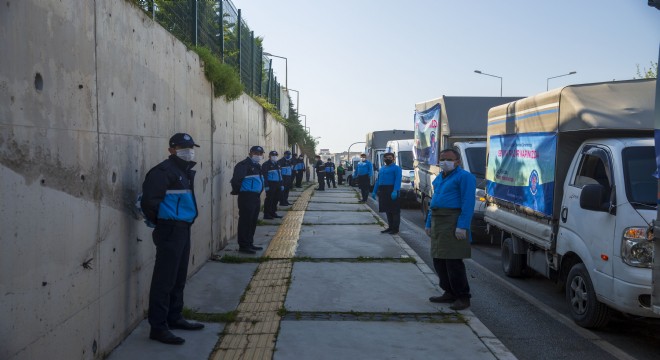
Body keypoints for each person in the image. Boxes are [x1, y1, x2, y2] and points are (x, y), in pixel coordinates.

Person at [140, 133, 205, 345]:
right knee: (164, 280)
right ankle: (158, 327)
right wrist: (163, 223)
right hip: (170, 230)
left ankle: (175, 317)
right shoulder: (163, 172)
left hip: (183, 228)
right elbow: (150, 202)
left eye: (190, 147)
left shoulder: (182, 171)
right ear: (171, 150)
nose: (188, 151)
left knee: (178, 277)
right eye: (182, 147)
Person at [424, 149, 476, 311]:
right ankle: (449, 292)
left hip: (453, 220)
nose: (444, 162)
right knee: (439, 259)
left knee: (453, 261)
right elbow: (435, 200)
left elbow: (468, 203)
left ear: (457, 161)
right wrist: (428, 223)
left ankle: (462, 296)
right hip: (438, 220)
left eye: (448, 159)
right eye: (442, 159)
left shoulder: (465, 177)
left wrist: (462, 226)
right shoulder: (440, 177)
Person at [230, 145, 266, 255]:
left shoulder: (257, 166)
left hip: (255, 196)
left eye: (260, 154)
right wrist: (241, 191)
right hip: (247, 197)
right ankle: (244, 245)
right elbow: (236, 181)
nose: (258, 156)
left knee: (253, 221)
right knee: (245, 221)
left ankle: (250, 243)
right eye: (256, 153)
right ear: (250, 153)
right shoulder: (243, 165)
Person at [371, 152, 402, 234]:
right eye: (386, 157)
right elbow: (378, 180)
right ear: (383, 159)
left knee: (395, 211)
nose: (387, 159)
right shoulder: (382, 168)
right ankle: (390, 227)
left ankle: (395, 229)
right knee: (387, 210)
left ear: (393, 158)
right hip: (383, 190)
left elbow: (398, 180)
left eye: (390, 157)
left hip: (392, 189)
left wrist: (395, 191)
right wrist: (374, 191)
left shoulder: (396, 168)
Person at [262, 150, 284, 219]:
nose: (274, 157)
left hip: (278, 184)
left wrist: (281, 184)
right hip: (271, 184)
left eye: (276, 156)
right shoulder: (266, 164)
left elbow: (280, 175)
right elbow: (264, 176)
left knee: (276, 199)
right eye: (273, 155)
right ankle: (266, 214)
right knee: (269, 199)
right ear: (269, 156)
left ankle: (273, 212)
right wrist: (266, 185)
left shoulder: (278, 164)